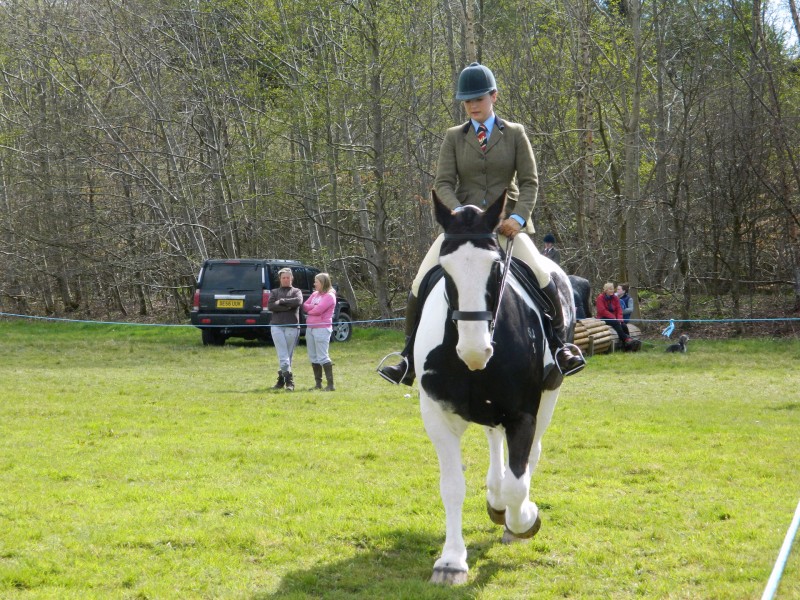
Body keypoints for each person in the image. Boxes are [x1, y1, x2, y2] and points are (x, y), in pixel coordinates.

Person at [378, 62, 585, 385]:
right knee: (420, 281)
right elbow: (443, 183)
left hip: (507, 230)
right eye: (467, 101)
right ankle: (407, 358)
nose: (472, 106)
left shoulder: (515, 134)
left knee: (544, 276)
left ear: (494, 97)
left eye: (478, 99)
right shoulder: (454, 138)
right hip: (463, 232)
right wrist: (461, 214)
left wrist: (517, 217)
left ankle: (560, 348)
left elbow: (530, 181)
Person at [267, 268, 303, 391]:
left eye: (288, 277)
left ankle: (281, 381)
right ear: (280, 279)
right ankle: (290, 383)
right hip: (276, 326)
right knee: (283, 354)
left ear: (292, 278)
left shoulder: (297, 291)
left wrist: (282, 301)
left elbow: (298, 301)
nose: (286, 279)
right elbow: (271, 306)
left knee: (288, 355)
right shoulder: (274, 291)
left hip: (292, 326)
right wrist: (287, 308)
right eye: (284, 278)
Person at [303, 272, 337, 391]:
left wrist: (311, 309)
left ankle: (331, 385)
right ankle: (318, 384)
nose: (314, 284)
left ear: (323, 283)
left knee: (322, 356)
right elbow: (305, 305)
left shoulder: (329, 296)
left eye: (316, 282)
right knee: (313, 356)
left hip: (322, 328)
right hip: (310, 328)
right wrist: (313, 308)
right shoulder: (314, 294)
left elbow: (319, 310)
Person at [596, 282, 639, 350]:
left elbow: (619, 309)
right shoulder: (600, 298)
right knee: (615, 322)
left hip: (614, 318)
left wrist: (619, 319)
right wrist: (614, 318)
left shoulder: (615, 298)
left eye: (612, 289)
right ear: (606, 290)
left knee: (623, 325)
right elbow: (602, 311)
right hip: (603, 317)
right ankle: (626, 338)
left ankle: (627, 345)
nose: (612, 290)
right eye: (610, 289)